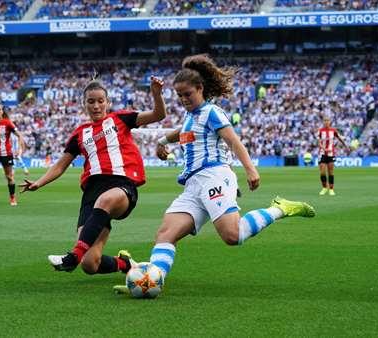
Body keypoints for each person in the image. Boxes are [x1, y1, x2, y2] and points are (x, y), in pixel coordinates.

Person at [114, 54, 315, 294]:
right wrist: (161, 140)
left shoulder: (212, 112)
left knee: (233, 235)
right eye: (179, 96)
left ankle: (280, 208)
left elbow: (234, 141)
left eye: (188, 94)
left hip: (214, 177)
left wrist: (251, 169)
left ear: (200, 89)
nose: (184, 100)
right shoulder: (192, 116)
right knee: (165, 234)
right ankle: (149, 283)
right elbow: (182, 131)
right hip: (192, 185)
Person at [20, 76, 166, 276]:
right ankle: (127, 265)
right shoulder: (79, 134)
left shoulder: (121, 119)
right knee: (90, 263)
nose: (96, 105)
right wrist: (39, 183)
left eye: (100, 101)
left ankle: (72, 257)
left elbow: (158, 114)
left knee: (106, 200)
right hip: (91, 193)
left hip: (120, 185)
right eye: (91, 101)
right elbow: (60, 165)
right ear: (84, 104)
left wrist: (156, 94)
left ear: (108, 103)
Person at [318, 116, 348, 196]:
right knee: (322, 172)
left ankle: (331, 189)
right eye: (325, 120)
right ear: (323, 122)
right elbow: (319, 142)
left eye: (327, 120)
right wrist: (324, 148)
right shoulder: (320, 131)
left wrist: (345, 146)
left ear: (330, 121)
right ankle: (324, 188)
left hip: (331, 153)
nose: (326, 122)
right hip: (322, 153)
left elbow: (339, 138)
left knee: (331, 172)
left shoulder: (333, 130)